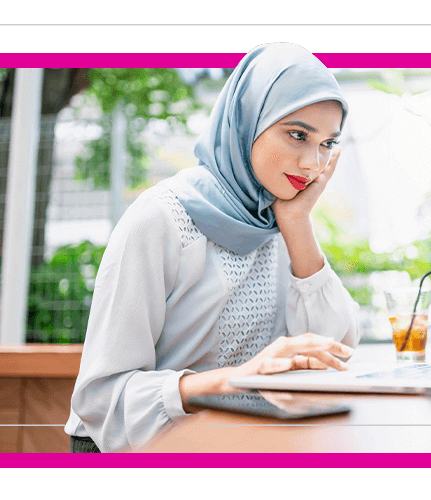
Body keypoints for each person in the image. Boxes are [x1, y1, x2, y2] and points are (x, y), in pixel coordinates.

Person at [65, 42, 361, 453]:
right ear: (247, 121)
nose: (314, 163)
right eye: (297, 135)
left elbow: (334, 349)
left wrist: (297, 225)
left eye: (328, 143)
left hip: (231, 442)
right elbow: (102, 398)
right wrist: (234, 380)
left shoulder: (277, 215)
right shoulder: (162, 219)